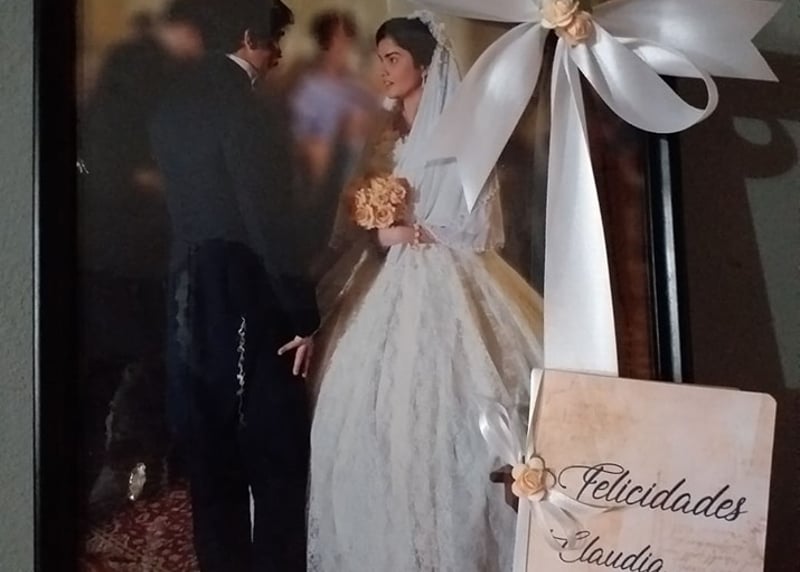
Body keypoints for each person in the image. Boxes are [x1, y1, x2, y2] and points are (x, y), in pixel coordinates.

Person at [307, 12, 544, 572]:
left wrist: (411, 231)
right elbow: (358, 211)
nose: (383, 70)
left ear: (426, 63)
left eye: (393, 59)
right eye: (380, 60)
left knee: (453, 409)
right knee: (368, 415)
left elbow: (480, 227)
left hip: (449, 275)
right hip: (391, 279)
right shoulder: (385, 135)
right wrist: (377, 226)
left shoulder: (459, 138)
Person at [149, 1, 318, 570]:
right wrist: (302, 314)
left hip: (185, 280)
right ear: (249, 36)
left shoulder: (172, 99)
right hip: (243, 284)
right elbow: (266, 220)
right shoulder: (248, 108)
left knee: (208, 443)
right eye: (274, 40)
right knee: (273, 449)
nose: (278, 54)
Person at [288, 9, 377, 270]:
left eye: (347, 37)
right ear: (325, 41)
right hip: (327, 171)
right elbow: (301, 138)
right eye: (338, 38)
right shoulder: (310, 87)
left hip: (361, 165)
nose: (344, 45)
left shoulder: (358, 87)